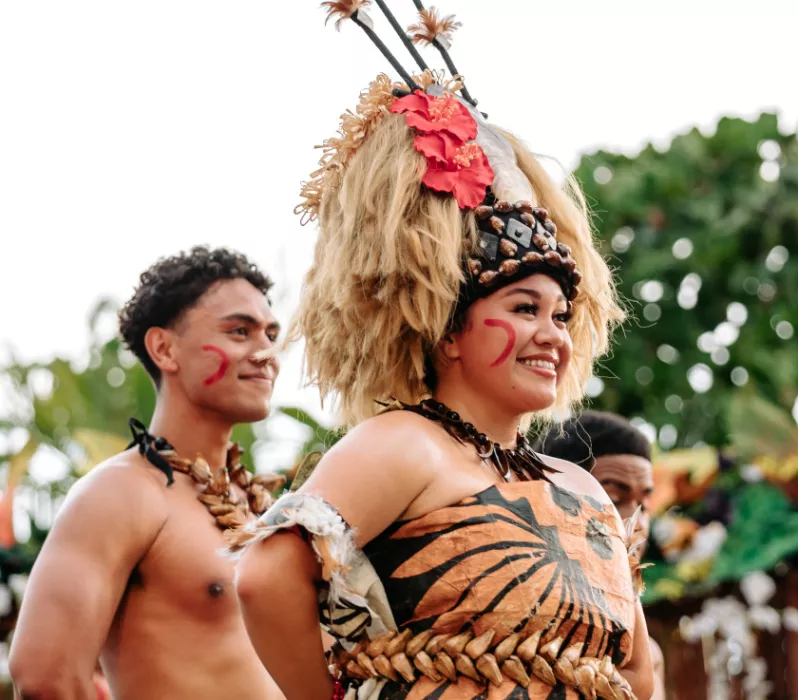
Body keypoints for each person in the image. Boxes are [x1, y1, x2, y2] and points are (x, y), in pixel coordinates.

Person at [229, 4, 653, 700]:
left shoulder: (580, 488)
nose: (551, 333)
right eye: (522, 310)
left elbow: (634, 662)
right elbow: (267, 574)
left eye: (559, 314)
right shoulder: (403, 446)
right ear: (449, 331)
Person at [9, 246, 285, 700]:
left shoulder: (261, 503)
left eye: (270, 334)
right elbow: (45, 679)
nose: (265, 353)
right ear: (165, 349)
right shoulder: (122, 493)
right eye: (240, 331)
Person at [535, 412, 666, 700]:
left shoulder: (649, 656)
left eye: (644, 505)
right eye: (615, 500)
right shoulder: (527, 641)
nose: (638, 521)